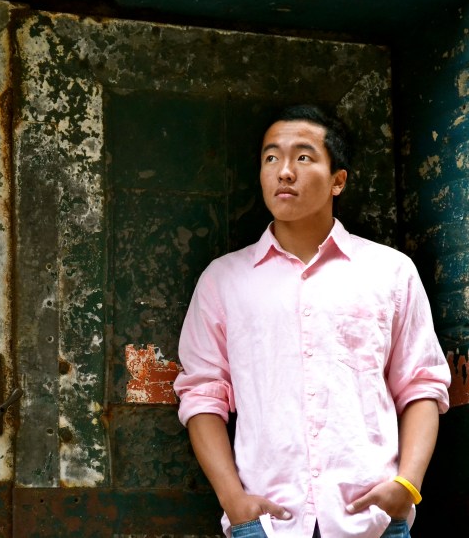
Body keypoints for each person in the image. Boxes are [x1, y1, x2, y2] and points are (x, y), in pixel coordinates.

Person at [173, 105, 451, 538]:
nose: (284, 171)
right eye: (271, 157)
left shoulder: (390, 272)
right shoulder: (223, 280)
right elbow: (202, 394)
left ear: (338, 180)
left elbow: (421, 385)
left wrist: (407, 486)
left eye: (303, 157)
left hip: (373, 521)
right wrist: (233, 500)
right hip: (266, 523)